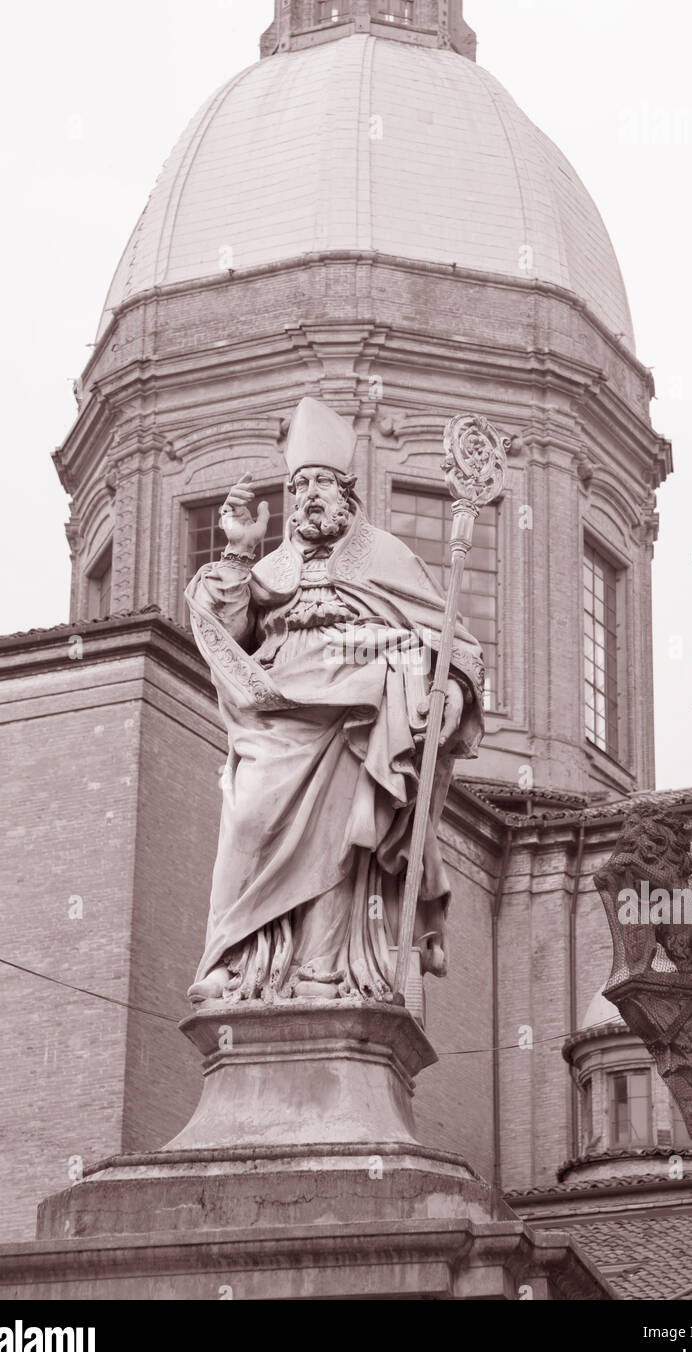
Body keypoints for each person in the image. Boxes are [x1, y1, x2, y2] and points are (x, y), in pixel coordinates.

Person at [185, 396, 484, 1006]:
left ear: (348, 492)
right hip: (273, 716)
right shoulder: (268, 568)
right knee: (246, 822)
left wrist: (449, 684)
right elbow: (230, 636)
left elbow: (448, 639)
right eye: (299, 486)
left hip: (356, 717)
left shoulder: (386, 557)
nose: (309, 496)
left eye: (322, 482)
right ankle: (232, 960)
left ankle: (322, 968)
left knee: (343, 838)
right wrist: (239, 550)